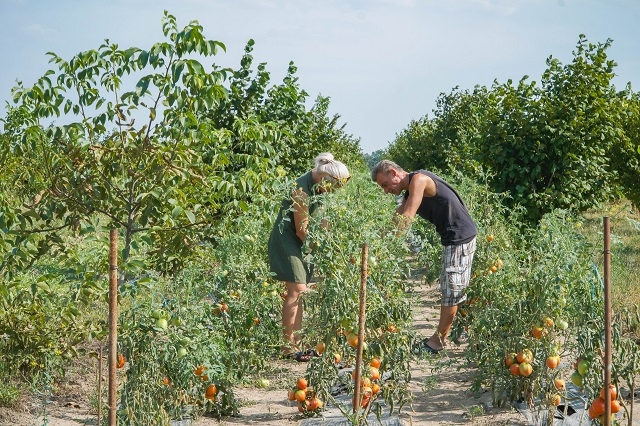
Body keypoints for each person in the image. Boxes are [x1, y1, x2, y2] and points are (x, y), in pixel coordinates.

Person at [371, 160, 477, 354]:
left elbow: (407, 216)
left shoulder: (418, 180)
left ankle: (438, 342)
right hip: (452, 238)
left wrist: (387, 250)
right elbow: (398, 216)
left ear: (394, 173)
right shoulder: (411, 188)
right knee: (450, 286)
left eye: (385, 184)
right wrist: (375, 241)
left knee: (451, 290)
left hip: (460, 237)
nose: (385, 191)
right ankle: (447, 335)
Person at [268, 152, 351, 362]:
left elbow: (323, 220)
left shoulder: (320, 187)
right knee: (296, 290)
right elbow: (301, 229)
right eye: (335, 187)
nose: (334, 192)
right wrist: (321, 251)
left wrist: (331, 242)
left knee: (301, 292)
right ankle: (288, 348)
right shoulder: (301, 189)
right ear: (325, 178)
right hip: (287, 239)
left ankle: (297, 345)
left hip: (302, 241)